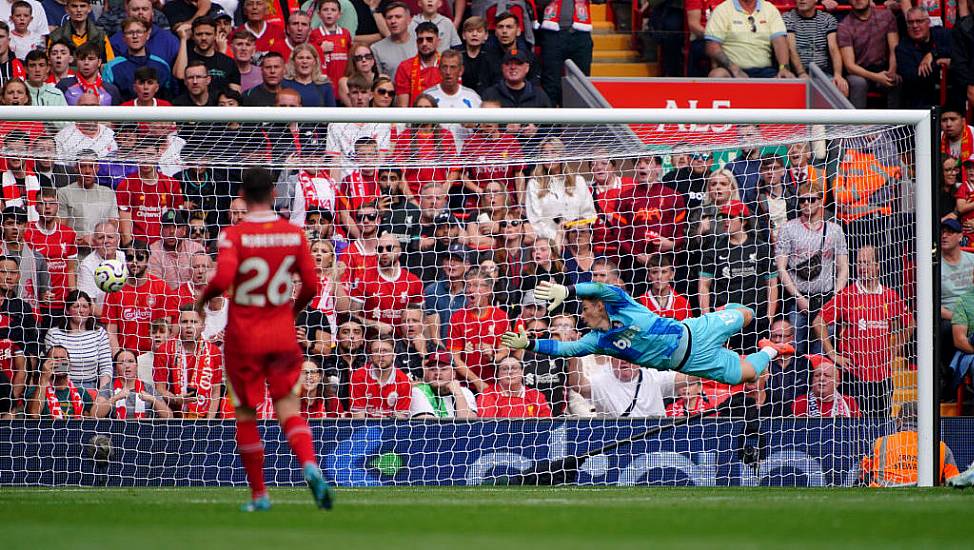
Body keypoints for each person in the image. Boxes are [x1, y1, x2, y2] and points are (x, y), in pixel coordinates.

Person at [193, 166, 334, 511]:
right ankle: (310, 466)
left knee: (245, 413)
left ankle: (260, 496)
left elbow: (223, 275)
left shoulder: (233, 235)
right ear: (274, 194)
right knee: (288, 407)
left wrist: (200, 300)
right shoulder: (294, 234)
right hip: (281, 333)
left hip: (244, 337)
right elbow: (312, 286)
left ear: (242, 196)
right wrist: (292, 312)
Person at [502, 280, 796, 387]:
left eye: (584, 308)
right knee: (743, 375)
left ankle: (722, 312)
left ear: (599, 306)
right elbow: (566, 350)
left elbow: (598, 288)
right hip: (688, 363)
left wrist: (567, 291)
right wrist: (529, 343)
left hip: (696, 331)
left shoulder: (619, 301)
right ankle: (770, 349)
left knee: (747, 314)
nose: (582, 314)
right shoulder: (599, 341)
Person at [813, 244, 913, 416]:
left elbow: (910, 324)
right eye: (859, 263)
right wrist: (832, 354)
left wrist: (895, 349)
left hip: (882, 375)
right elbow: (818, 322)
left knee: (881, 423)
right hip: (853, 374)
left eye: (866, 263)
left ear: (877, 265)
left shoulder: (890, 296)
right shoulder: (847, 295)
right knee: (853, 426)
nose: (862, 268)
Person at [775, 182, 849, 356]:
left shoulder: (835, 230)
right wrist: (798, 297)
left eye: (811, 200)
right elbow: (781, 268)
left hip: (826, 298)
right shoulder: (788, 228)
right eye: (802, 201)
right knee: (795, 353)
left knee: (822, 352)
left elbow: (843, 266)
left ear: (820, 201)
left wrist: (836, 295)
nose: (806, 204)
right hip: (798, 297)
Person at [102, 240, 176, 354]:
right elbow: (111, 331)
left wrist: (160, 355)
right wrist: (118, 357)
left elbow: (166, 328)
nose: (134, 262)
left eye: (140, 258)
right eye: (130, 258)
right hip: (126, 356)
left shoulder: (161, 287)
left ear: (148, 260)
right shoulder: (115, 288)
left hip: (154, 355)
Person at [861, 403, 961, 487]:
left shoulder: (881, 442)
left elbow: (862, 472)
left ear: (898, 421)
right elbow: (954, 481)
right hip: (926, 498)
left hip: (881, 497)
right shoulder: (941, 447)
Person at [448, 266, 509, 392]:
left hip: (496, 385)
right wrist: (477, 382)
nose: (470, 290)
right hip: (466, 386)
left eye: (476, 285)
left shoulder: (501, 317)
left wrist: (492, 356)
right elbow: (455, 359)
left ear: (489, 290)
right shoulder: (458, 317)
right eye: (468, 285)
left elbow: (504, 352)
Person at [569, 355, 691, 417]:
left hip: (652, 444)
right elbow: (578, 385)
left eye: (628, 357)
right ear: (611, 360)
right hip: (616, 445)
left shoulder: (654, 378)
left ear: (639, 360)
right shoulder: (602, 380)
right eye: (619, 357)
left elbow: (689, 377)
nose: (624, 361)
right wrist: (574, 354)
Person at [524, 136, 596, 241]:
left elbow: (589, 214)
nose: (549, 157)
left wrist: (573, 230)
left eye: (553, 152)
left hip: (578, 239)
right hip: (549, 242)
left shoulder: (578, 181)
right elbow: (535, 220)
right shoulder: (534, 184)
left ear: (561, 155)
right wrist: (556, 237)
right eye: (545, 153)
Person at [704, 0, 794, 79]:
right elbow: (712, 46)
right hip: (731, 70)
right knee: (717, 74)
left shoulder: (770, 9)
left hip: (765, 71)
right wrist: (734, 69)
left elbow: (779, 42)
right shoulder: (723, 9)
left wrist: (783, 68)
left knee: (785, 77)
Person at [837, 0, 900, 109]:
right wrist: (876, 77)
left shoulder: (886, 16)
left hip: (882, 67)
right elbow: (849, 66)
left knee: (896, 81)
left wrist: (892, 71)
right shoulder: (844, 26)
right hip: (858, 71)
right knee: (858, 83)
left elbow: (894, 49)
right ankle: (856, 125)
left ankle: (897, 125)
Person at [101, 17, 175, 103]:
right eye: (130, 33)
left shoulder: (162, 65)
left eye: (139, 32)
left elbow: (168, 96)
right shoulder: (112, 67)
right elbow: (107, 99)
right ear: (123, 38)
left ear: (147, 35)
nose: (135, 36)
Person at [57, 153, 120, 253]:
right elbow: (60, 229)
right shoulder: (64, 193)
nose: (87, 171)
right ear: (76, 169)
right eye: (83, 166)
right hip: (74, 252)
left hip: (103, 251)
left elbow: (114, 224)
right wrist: (79, 241)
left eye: (91, 166)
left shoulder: (108, 193)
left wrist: (96, 238)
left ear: (97, 168)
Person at [783, 0, 846, 96]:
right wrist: (801, 73)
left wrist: (838, 74)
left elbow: (833, 48)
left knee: (840, 88)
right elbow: (791, 49)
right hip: (796, 72)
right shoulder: (788, 17)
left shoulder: (827, 19)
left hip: (822, 72)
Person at [92, 348, 173, 418]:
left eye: (131, 361)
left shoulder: (148, 388)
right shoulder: (108, 388)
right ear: (116, 368)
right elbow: (94, 414)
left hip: (143, 432)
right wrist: (116, 398)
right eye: (121, 362)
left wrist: (152, 399)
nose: (127, 366)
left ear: (137, 366)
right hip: (115, 432)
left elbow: (169, 416)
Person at [347, 336, 412, 418]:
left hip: (391, 428)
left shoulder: (404, 381)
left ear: (394, 355)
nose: (381, 355)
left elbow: (400, 420)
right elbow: (358, 418)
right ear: (370, 356)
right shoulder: (359, 377)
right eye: (376, 351)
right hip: (365, 428)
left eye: (385, 351)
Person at [174, 15, 240, 92]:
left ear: (215, 35)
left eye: (208, 34)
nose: (203, 38)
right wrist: (183, 39)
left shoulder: (228, 62)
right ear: (193, 36)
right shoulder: (184, 57)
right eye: (199, 34)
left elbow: (235, 94)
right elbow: (180, 75)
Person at [24, 345, 94, 418]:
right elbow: (34, 415)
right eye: (55, 359)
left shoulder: (81, 392)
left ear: (69, 365)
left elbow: (89, 421)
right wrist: (44, 378)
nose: (59, 362)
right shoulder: (35, 390)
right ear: (46, 364)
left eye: (63, 359)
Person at [148, 208, 206, 290]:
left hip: (195, 298)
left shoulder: (196, 249)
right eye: (167, 227)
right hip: (166, 300)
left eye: (176, 227)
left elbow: (205, 281)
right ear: (160, 230)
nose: (171, 231)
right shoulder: (153, 251)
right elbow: (157, 288)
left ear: (184, 230)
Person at [409, 349, 477, 418]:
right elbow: (428, 426)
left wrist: (458, 394)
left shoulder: (464, 392)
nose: (437, 373)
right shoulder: (419, 391)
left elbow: (469, 425)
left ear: (453, 374)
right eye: (433, 369)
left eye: (443, 369)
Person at [476, 355, 551, 418]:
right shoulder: (488, 395)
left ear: (522, 372)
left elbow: (546, 424)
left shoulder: (536, 396)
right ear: (498, 374)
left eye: (514, 368)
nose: (510, 372)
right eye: (504, 369)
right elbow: (488, 426)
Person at [791, 354, 860, 417]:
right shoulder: (800, 402)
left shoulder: (849, 401)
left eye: (827, 376)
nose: (821, 379)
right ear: (812, 381)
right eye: (817, 375)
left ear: (837, 382)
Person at [481, 47, 550, 108]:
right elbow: (482, 121)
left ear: (527, 68)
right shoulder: (490, 94)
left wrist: (534, 123)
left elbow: (551, 121)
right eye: (508, 64)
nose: (513, 67)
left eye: (518, 63)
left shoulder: (539, 95)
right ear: (502, 68)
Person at [393, 20, 441, 106]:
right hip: (415, 117)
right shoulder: (405, 67)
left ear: (438, 41)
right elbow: (403, 108)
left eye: (429, 39)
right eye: (420, 40)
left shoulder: (447, 66)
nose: (424, 43)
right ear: (416, 42)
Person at [639, 253, 691, 321]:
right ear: (649, 276)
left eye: (664, 272)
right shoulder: (640, 303)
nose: (659, 277)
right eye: (654, 272)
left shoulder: (683, 303)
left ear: (672, 275)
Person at [370, 2, 415, 77]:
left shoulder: (422, 42)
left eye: (398, 17)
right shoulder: (376, 48)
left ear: (409, 20)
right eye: (389, 18)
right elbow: (380, 81)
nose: (393, 21)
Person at [338, 42, 377, 106]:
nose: (364, 60)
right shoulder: (345, 82)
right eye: (359, 58)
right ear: (353, 62)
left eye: (367, 56)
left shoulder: (381, 79)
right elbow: (353, 108)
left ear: (373, 61)